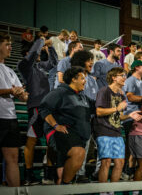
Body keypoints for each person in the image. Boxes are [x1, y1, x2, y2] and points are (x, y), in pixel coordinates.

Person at [39, 66, 95, 184]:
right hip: (62, 133)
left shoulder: (83, 97)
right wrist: (55, 125)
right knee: (78, 153)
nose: (85, 81)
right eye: (82, 78)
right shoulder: (59, 92)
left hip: (78, 137)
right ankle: (65, 186)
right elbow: (44, 108)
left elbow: (98, 108)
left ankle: (63, 185)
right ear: (74, 79)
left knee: (62, 171)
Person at [93, 67, 142, 195]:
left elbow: (118, 116)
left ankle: (112, 191)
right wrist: (117, 108)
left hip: (116, 130)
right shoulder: (104, 91)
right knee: (106, 161)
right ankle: (103, 192)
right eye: (122, 75)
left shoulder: (120, 94)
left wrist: (129, 115)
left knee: (120, 162)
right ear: (114, 77)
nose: (125, 77)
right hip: (103, 130)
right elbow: (99, 111)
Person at [18, 37, 58, 185]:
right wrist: (41, 41)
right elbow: (34, 52)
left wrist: (51, 47)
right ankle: (28, 175)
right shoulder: (24, 65)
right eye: (37, 52)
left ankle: (48, 173)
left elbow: (54, 63)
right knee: (32, 140)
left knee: (51, 141)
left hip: (47, 108)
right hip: (35, 107)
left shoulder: (40, 66)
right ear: (29, 53)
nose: (40, 54)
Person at [0, 33, 28, 187]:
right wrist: (10, 91)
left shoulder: (10, 71)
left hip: (10, 119)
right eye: (6, 44)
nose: (10, 47)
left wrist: (22, 94)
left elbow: (22, 96)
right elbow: (9, 90)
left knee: (13, 158)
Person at [70, 50, 98, 183]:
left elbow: (96, 100)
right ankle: (71, 174)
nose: (91, 62)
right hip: (76, 118)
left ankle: (80, 173)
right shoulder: (73, 77)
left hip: (89, 118)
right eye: (88, 60)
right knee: (76, 148)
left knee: (86, 148)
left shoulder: (92, 80)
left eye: (92, 60)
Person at [122, 60, 142, 180]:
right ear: (136, 67)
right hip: (130, 115)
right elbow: (130, 96)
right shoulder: (130, 80)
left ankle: (132, 170)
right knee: (131, 145)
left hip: (140, 117)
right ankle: (125, 170)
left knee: (137, 146)